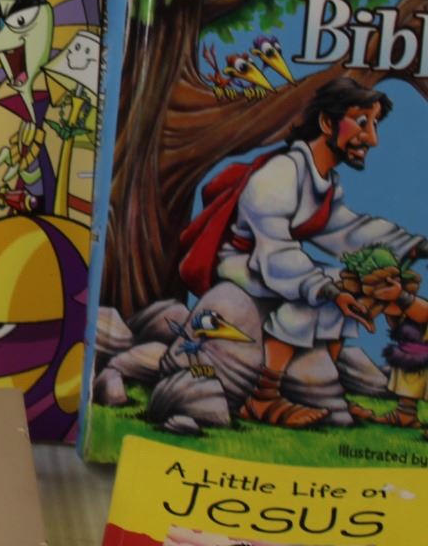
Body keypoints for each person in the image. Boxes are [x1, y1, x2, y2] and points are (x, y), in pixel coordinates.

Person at [179, 77, 424, 427]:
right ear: (326, 122)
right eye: (361, 123)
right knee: (317, 296)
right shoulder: (279, 175)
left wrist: (411, 245)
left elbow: (345, 231)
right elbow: (274, 249)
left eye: (374, 125)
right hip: (243, 261)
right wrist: (326, 290)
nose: (372, 138)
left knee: (349, 284)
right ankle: (262, 397)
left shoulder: (322, 179)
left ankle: (326, 389)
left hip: (275, 260)